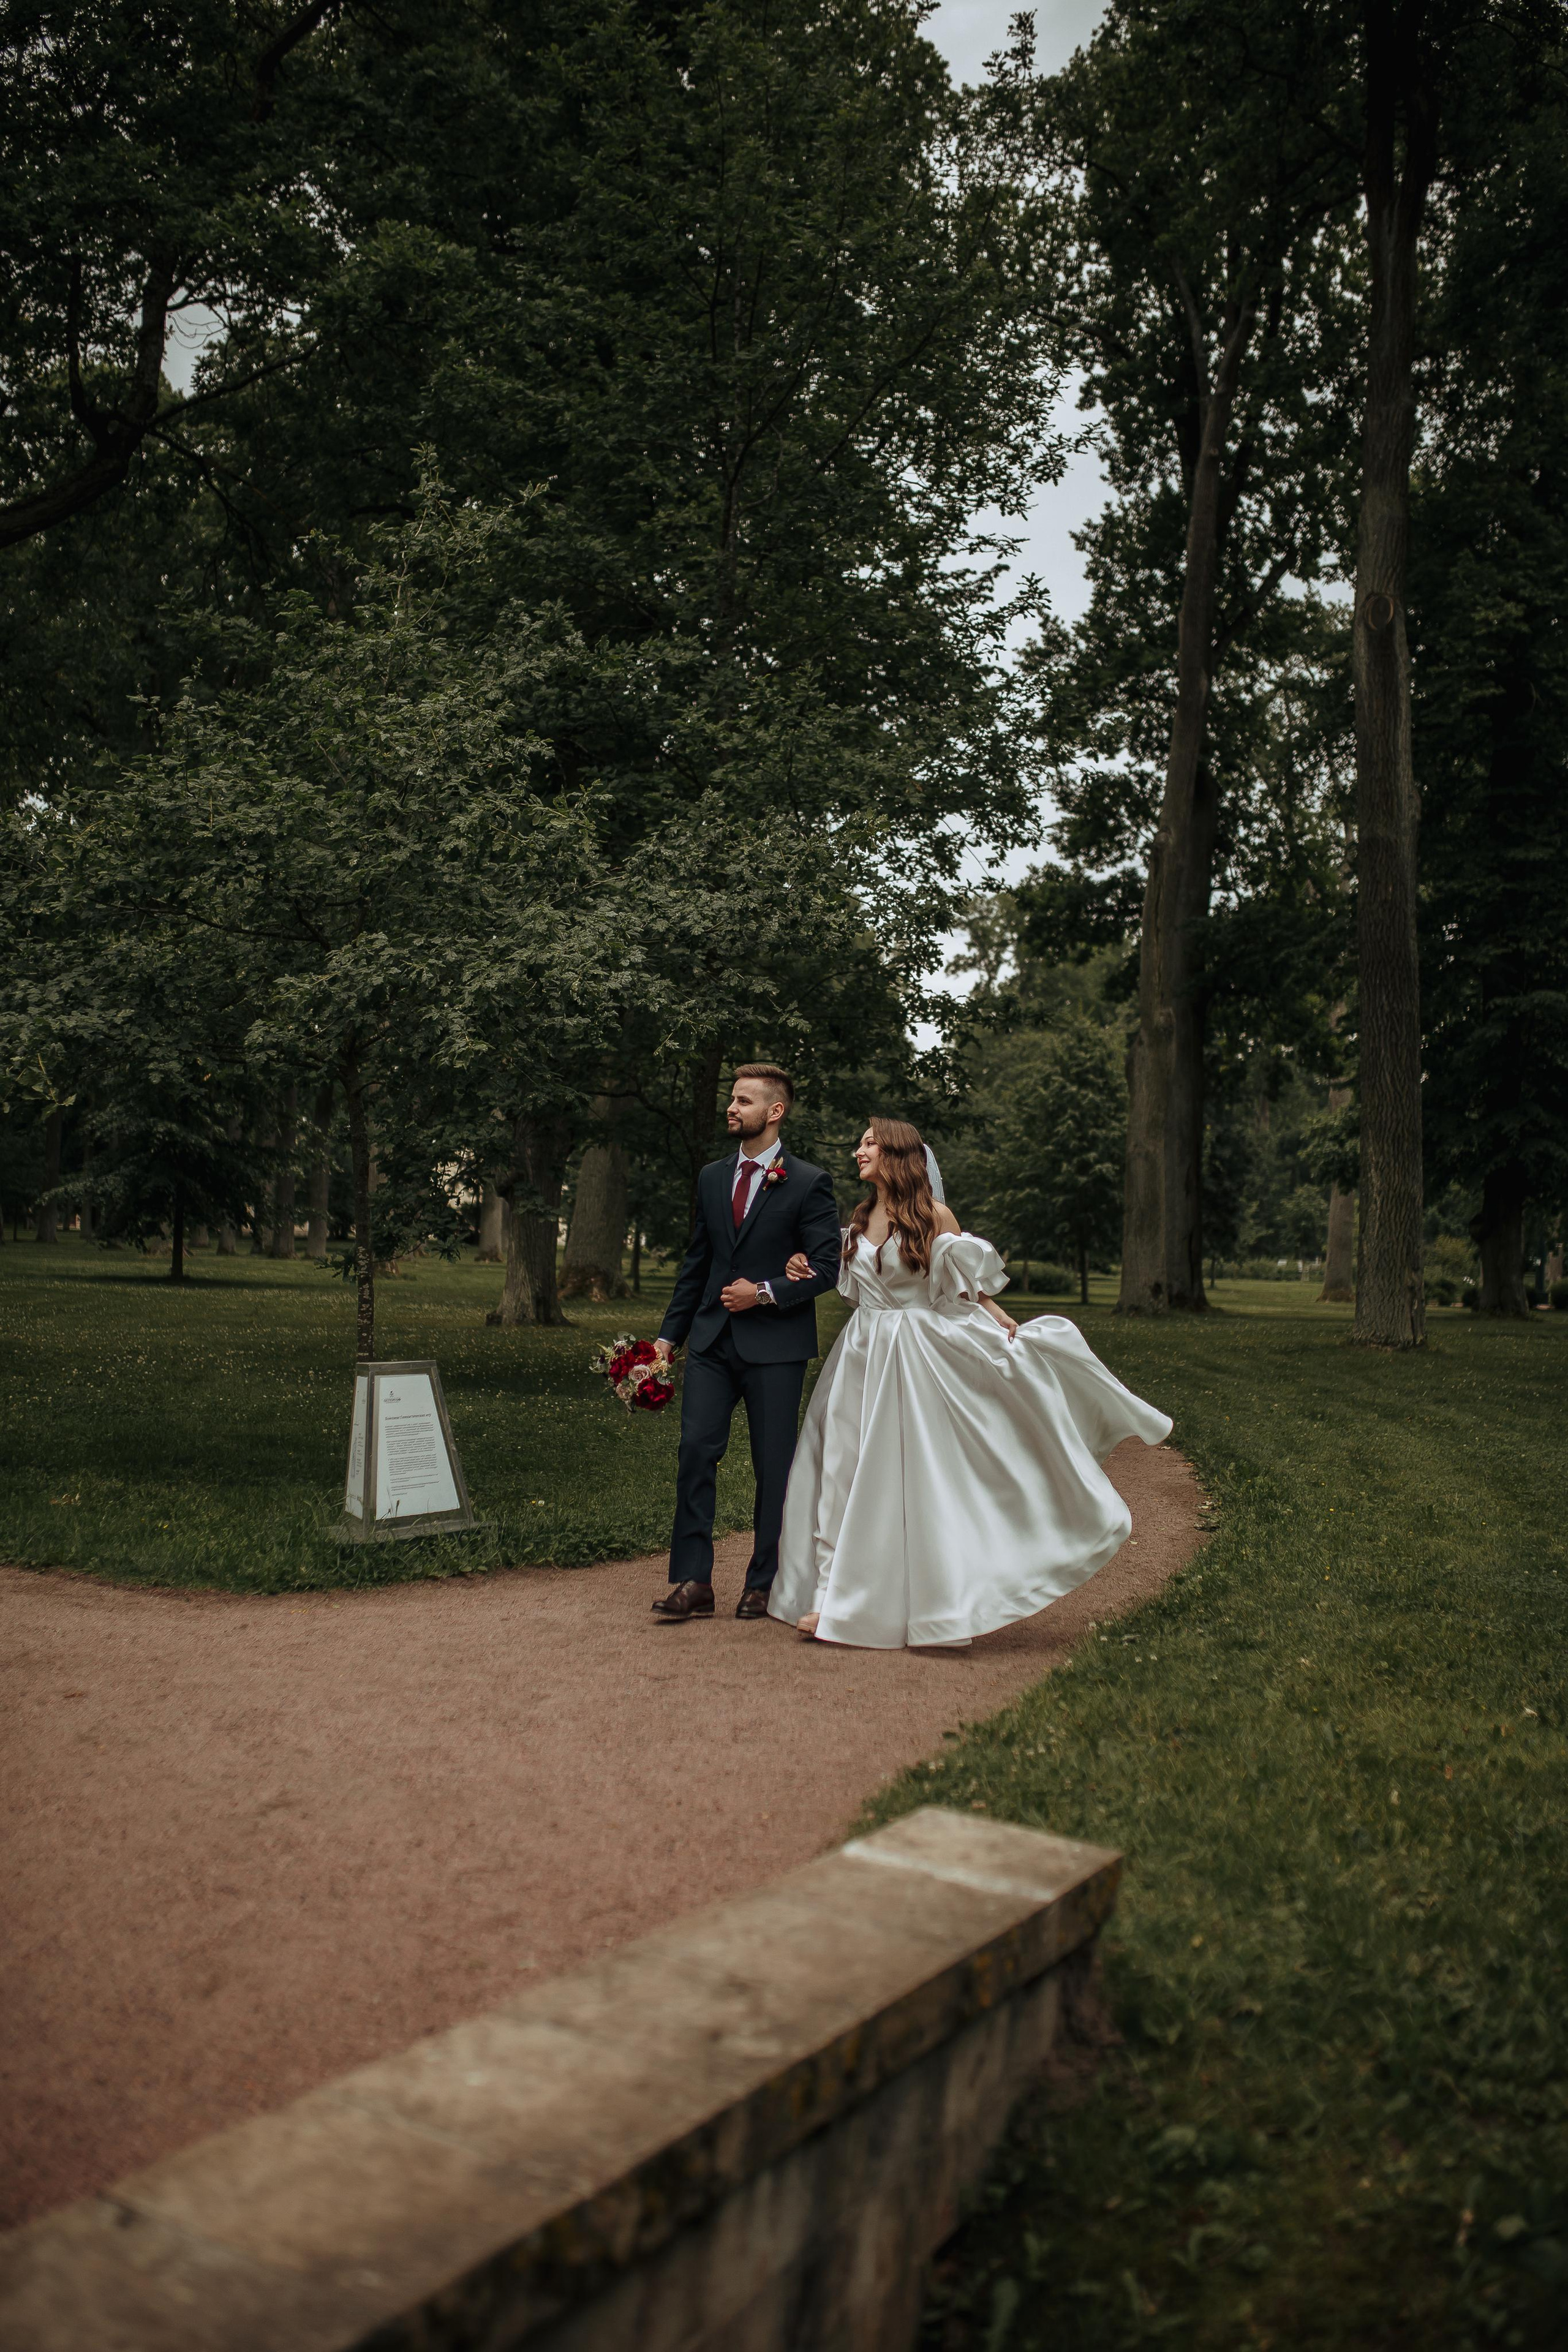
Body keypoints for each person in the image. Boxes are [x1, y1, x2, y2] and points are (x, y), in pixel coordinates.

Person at [768, 1117, 1172, 1649]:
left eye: (870, 1143)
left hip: (914, 1360)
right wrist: (801, 1264)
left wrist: (998, 1317)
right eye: (860, 1142)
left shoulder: (935, 1217)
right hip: (860, 1357)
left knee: (912, 1478)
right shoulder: (857, 1220)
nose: (858, 1150)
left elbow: (963, 1288)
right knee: (839, 1468)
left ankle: (924, 1600)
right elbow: (844, 1282)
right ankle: (824, 1597)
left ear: (898, 1155)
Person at [650, 1065, 841, 1621]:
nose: (731, 1108)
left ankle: (764, 1581)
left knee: (773, 1466)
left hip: (776, 1347)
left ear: (774, 1112)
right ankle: (693, 1580)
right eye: (731, 1099)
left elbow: (827, 1268)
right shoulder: (712, 1177)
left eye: (743, 1100)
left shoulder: (808, 1182)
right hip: (710, 1341)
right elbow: (697, 1265)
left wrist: (763, 1292)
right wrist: (668, 1339)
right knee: (695, 1452)